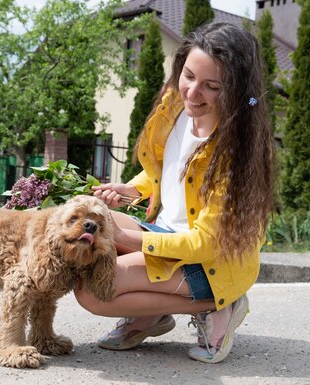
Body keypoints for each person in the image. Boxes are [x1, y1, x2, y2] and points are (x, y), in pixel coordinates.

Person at [74, 21, 275, 363]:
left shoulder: (238, 152)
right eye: (188, 76)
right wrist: (132, 190)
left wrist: (126, 236)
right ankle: (152, 313)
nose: (192, 93)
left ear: (236, 91)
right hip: (166, 233)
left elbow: (204, 243)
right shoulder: (175, 107)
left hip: (209, 261)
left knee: (92, 289)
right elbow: (163, 171)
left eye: (212, 86)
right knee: (93, 220)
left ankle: (220, 304)